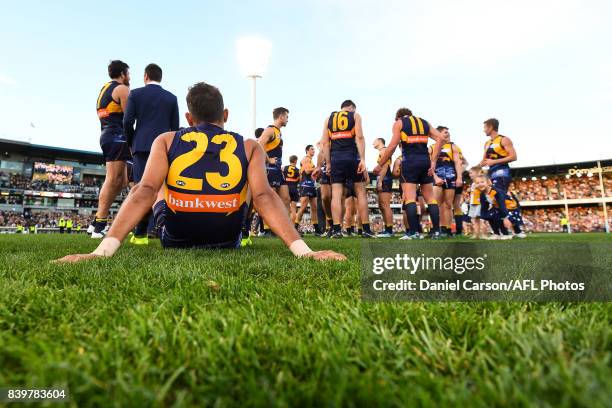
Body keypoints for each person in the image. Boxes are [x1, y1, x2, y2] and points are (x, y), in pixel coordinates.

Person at [54, 82, 345, 263]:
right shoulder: (250, 146)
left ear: (189, 119)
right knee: (251, 185)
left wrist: (99, 253)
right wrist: (306, 252)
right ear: (226, 115)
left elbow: (143, 191)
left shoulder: (166, 139)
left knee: (153, 183)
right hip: (226, 238)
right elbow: (264, 197)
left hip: (176, 237)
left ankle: (121, 237)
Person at [123, 63, 180, 245]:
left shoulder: (136, 94)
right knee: (163, 188)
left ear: (146, 76)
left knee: (143, 188)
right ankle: (157, 228)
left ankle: (140, 234)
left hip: (142, 146)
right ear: (160, 78)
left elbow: (127, 121)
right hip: (164, 148)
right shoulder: (171, 98)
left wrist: (132, 142)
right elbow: (175, 128)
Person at [373, 108, 444, 239]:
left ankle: (413, 232)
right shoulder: (424, 122)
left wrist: (380, 164)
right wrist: (433, 161)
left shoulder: (399, 123)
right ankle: (436, 231)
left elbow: (392, 146)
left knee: (410, 198)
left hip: (409, 162)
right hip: (425, 162)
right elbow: (440, 138)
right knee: (430, 198)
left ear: (398, 117)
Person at [318, 100, 374, 238]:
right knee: (360, 192)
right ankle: (366, 230)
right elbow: (359, 137)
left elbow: (325, 143)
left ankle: (337, 229)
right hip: (352, 157)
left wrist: (329, 163)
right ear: (352, 108)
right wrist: (363, 159)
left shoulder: (328, 119)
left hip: (336, 158)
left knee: (336, 194)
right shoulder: (355, 116)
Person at [88, 60, 131, 239]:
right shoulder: (122, 89)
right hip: (117, 136)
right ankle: (100, 224)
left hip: (108, 134)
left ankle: (95, 223)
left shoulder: (105, 88)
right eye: (128, 73)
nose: (130, 77)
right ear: (122, 74)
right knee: (113, 179)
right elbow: (130, 118)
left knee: (122, 181)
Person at [258, 107, 290, 236]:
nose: (288, 119)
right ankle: (267, 229)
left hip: (277, 169)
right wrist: (268, 160)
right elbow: (259, 144)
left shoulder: (278, 132)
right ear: (281, 117)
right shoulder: (270, 130)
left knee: (286, 198)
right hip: (269, 169)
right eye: (287, 117)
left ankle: (285, 227)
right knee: (270, 199)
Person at [429, 126, 463, 237]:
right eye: (445, 132)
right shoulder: (432, 147)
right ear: (438, 134)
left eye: (448, 132)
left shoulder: (453, 146)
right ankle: (435, 229)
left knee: (448, 205)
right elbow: (428, 164)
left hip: (450, 176)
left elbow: (458, 162)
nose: (448, 134)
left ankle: (447, 230)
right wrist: (435, 177)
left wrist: (459, 178)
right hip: (437, 177)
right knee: (436, 204)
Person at [480, 118, 517, 194]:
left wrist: (494, 161)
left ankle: (512, 204)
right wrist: (474, 169)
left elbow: (514, 157)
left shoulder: (504, 139)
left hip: (502, 172)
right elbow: (484, 161)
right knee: (493, 199)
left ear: (490, 127)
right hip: (491, 173)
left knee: (499, 197)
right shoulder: (487, 143)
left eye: (485, 128)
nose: (484, 130)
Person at [473, 173, 513, 240]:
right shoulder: (482, 194)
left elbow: (502, 205)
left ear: (488, 182)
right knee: (489, 215)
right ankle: (496, 233)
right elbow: (484, 208)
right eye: (477, 183)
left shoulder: (496, 191)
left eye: (482, 182)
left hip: (510, 206)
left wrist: (506, 217)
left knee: (499, 215)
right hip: (497, 207)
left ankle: (506, 234)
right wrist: (482, 220)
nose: (480, 184)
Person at [294, 145, 321, 235]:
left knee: (314, 207)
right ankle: (295, 228)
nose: (314, 150)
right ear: (307, 150)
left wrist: (316, 173)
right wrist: (317, 168)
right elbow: (307, 170)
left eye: (314, 149)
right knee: (303, 207)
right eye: (312, 149)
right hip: (305, 184)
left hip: (311, 185)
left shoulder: (310, 160)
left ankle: (317, 230)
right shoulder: (306, 159)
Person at [373, 138, 394, 237]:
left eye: (375, 141)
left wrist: (380, 180)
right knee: (381, 205)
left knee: (385, 205)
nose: (373, 143)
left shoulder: (384, 151)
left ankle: (389, 231)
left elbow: (385, 166)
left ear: (380, 142)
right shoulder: (381, 151)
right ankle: (387, 229)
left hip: (385, 178)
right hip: (383, 178)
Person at [283, 155, 300, 226]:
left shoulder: (284, 168)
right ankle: (292, 226)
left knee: (286, 208)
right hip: (294, 189)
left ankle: (286, 225)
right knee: (293, 210)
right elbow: (299, 180)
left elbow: (282, 177)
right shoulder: (298, 170)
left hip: (286, 189)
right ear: (295, 160)